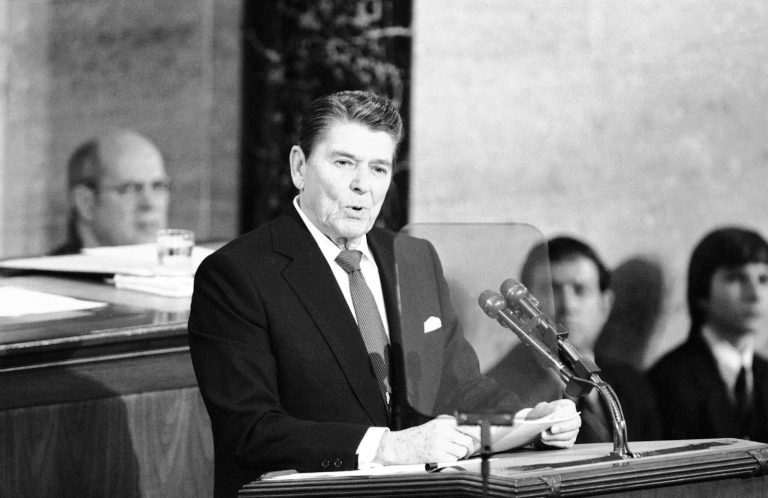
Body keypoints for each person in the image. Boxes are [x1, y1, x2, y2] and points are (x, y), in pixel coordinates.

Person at [187, 91, 580, 497]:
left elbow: (458, 385)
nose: (362, 186)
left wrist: (528, 420)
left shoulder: (412, 258)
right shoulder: (237, 274)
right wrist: (388, 447)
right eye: (343, 163)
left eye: (378, 168)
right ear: (299, 167)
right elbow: (251, 430)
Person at [488, 236, 661, 442]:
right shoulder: (496, 393)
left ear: (605, 305)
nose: (568, 306)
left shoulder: (632, 386)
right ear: (522, 309)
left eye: (580, 290)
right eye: (552, 290)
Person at [648, 226, 768, 442]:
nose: (755, 294)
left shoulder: (764, 372)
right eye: (736, 278)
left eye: (763, 279)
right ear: (702, 292)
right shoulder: (669, 379)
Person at [51, 128, 170, 254]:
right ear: (86, 203)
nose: (149, 204)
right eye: (130, 189)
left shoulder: (189, 267)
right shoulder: (44, 273)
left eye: (158, 186)